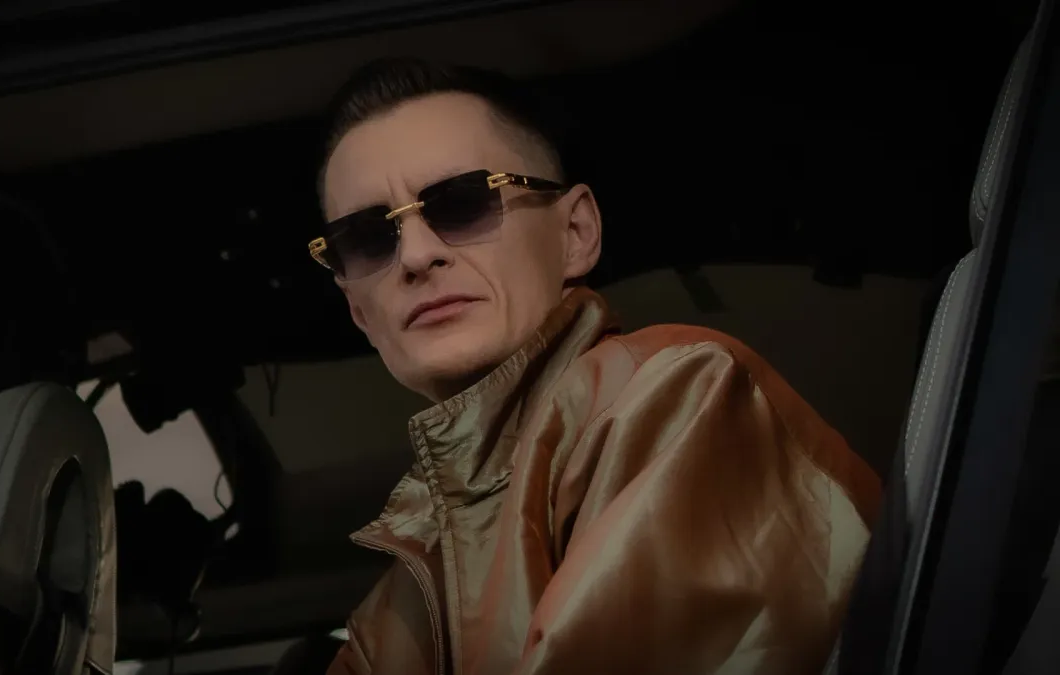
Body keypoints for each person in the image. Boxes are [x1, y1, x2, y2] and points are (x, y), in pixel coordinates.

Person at [307, 58, 882, 675]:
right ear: (357, 310)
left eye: (463, 203)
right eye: (367, 239)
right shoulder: (392, 614)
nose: (417, 256)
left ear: (576, 233)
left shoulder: (676, 395)